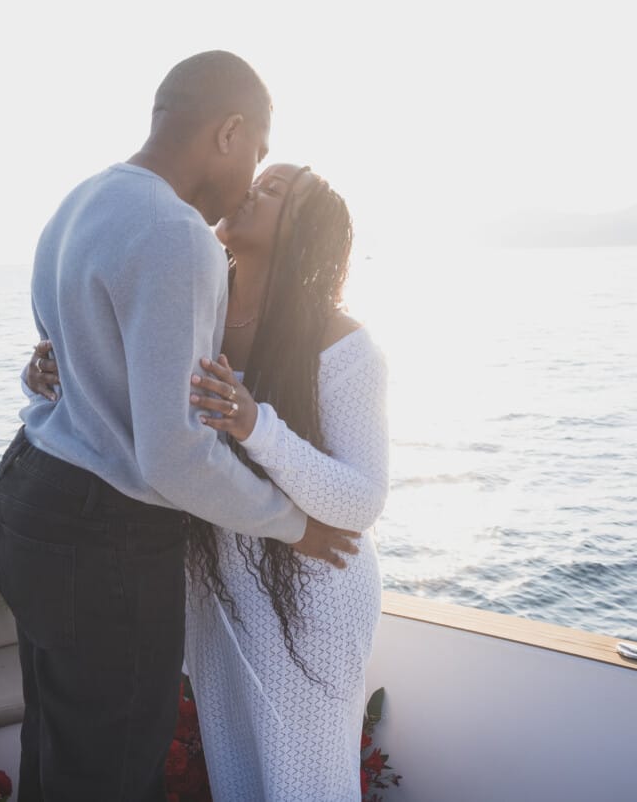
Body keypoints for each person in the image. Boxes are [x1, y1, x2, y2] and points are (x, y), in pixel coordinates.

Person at [0, 51, 360, 802]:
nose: (251, 177)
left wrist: (42, 371)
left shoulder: (82, 200)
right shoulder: (177, 233)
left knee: (54, 753)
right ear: (229, 131)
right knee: (112, 776)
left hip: (28, 496)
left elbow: (71, 358)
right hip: (100, 537)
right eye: (255, 152)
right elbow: (175, 455)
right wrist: (294, 525)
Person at [26, 162, 389, 800]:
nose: (250, 187)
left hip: (312, 595)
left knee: (309, 786)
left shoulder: (343, 345)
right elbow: (121, 400)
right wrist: (49, 374)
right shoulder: (195, 315)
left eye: (272, 191)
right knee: (238, 781)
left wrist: (257, 426)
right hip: (213, 589)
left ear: (304, 232)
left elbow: (360, 501)